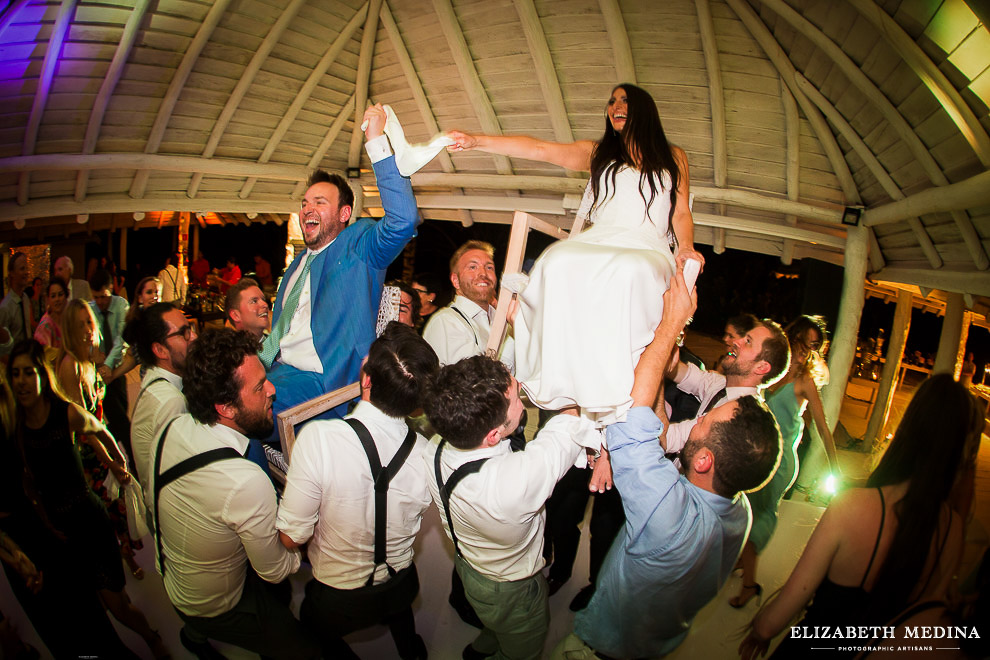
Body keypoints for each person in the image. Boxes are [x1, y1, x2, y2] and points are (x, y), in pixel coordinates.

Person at [553, 269, 782, 660]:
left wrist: (671, 322)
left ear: (706, 459)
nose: (697, 423)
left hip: (602, 646)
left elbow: (649, 429)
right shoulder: (737, 510)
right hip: (656, 641)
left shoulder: (665, 510)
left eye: (702, 424)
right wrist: (667, 360)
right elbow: (664, 418)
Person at [448, 83, 703, 426]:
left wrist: (685, 245)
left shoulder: (674, 156)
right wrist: (478, 140)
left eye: (624, 99)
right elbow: (539, 149)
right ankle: (562, 377)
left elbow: (681, 213)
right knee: (557, 260)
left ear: (643, 108)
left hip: (646, 245)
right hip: (600, 238)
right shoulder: (598, 153)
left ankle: (618, 385)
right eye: (611, 100)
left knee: (630, 269)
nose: (615, 105)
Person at [739, 374, 980, 659]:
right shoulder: (951, 531)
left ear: (908, 429)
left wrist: (759, 630)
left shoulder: (853, 506)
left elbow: (776, 618)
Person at [259, 103, 419, 446]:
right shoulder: (295, 267)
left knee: (241, 415)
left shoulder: (357, 245)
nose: (307, 209)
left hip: (323, 382)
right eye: (304, 203)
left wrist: (376, 141)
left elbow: (403, 221)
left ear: (345, 213)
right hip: (276, 369)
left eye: (319, 202)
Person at [423, 354, 601, 660]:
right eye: (516, 397)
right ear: (493, 435)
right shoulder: (515, 483)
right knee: (522, 649)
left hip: (469, 567)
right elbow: (569, 419)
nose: (521, 395)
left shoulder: (435, 446)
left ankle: (482, 647)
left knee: (493, 621)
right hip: (513, 589)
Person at [153, 328, 318, 659]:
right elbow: (274, 570)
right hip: (216, 604)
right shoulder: (244, 481)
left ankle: (195, 633)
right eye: (259, 387)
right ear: (226, 408)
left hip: (175, 574)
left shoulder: (171, 426)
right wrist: (300, 541)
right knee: (304, 650)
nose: (272, 390)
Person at [277, 323, 438, 659]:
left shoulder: (320, 439)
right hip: (402, 584)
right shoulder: (428, 453)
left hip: (340, 598)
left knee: (312, 629)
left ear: (365, 380)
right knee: (399, 614)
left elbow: (292, 539)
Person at [9, 340, 167, 658]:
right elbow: (29, 485)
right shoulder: (18, 427)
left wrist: (116, 462)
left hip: (88, 523)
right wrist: (46, 523)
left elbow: (100, 429)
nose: (21, 381)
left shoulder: (64, 412)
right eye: (15, 374)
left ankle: (152, 638)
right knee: (89, 615)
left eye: (28, 372)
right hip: (60, 535)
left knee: (116, 605)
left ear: (42, 374)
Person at [731, 315, 839, 608]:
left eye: (814, 347)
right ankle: (742, 560)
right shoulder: (771, 372)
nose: (807, 351)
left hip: (781, 461)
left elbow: (822, 427)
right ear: (791, 340)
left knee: (759, 515)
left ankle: (750, 584)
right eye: (804, 343)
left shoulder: (805, 382)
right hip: (758, 451)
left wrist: (836, 468)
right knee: (742, 507)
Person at [123, 302, 197, 489]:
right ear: (160, 350)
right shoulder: (170, 401)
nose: (194, 337)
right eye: (184, 333)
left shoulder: (157, 379)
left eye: (191, 328)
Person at [422, 241, 514, 371]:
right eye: (472, 267)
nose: (483, 273)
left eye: (489, 267)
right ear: (456, 280)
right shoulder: (446, 322)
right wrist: (514, 334)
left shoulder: (500, 319)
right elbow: (478, 384)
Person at [0, 252, 33, 353]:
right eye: (22, 269)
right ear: (12, 273)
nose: (26, 272)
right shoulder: (5, 307)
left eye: (26, 268)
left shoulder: (25, 299)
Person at [33, 277, 68, 351]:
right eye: (53, 296)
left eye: (60, 294)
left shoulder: (69, 319)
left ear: (66, 296)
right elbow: (45, 355)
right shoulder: (45, 325)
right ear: (48, 299)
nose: (57, 299)